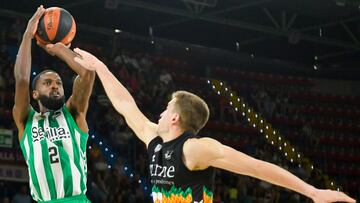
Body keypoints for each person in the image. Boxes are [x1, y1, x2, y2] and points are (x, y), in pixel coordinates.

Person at [72, 49, 356, 203]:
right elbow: (124, 104)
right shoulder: (153, 140)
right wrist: (100, 67)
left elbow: (256, 167)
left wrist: (314, 192)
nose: (159, 113)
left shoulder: (195, 149)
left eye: (166, 108)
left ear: (176, 118)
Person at [13, 6, 95, 202]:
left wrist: (57, 48)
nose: (55, 86)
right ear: (35, 93)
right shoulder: (26, 120)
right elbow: (22, 79)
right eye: (48, 83)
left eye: (58, 82)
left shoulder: (73, 113)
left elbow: (88, 73)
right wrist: (27, 35)